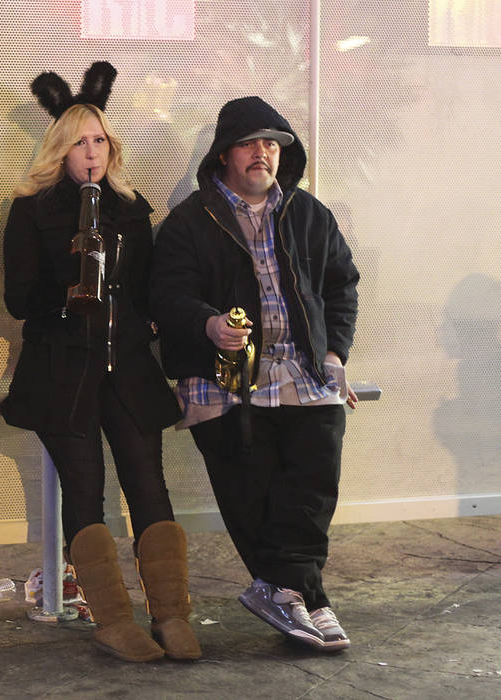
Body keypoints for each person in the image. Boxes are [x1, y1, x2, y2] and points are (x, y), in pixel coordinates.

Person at [0, 62, 200, 663]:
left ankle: (171, 615)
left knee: (148, 484)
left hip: (128, 368)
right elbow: (18, 300)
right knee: (84, 493)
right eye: (80, 142)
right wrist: (68, 289)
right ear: (60, 149)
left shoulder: (130, 208)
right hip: (64, 371)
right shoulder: (32, 209)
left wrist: (145, 321)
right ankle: (113, 620)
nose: (91, 151)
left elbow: (146, 290)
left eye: (99, 140)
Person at [150, 96, 359, 651]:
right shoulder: (190, 221)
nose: (262, 153)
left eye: (272, 143)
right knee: (253, 490)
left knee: (315, 479)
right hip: (225, 376)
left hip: (304, 371)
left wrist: (334, 353)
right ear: (224, 155)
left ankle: (291, 593)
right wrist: (209, 324)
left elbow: (341, 287)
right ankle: (310, 598)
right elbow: (165, 295)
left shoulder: (309, 214)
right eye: (249, 143)